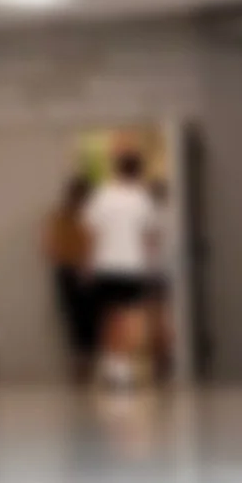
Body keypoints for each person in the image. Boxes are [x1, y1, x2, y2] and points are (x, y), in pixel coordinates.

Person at [81, 147, 165, 391]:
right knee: (128, 318)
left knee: (108, 317)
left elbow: (91, 234)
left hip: (104, 264)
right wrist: (151, 265)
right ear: (139, 171)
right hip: (132, 265)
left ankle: (112, 365)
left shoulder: (101, 196)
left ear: (116, 169)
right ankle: (123, 368)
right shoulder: (142, 198)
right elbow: (149, 237)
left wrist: (87, 264)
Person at [43, 172, 99, 387]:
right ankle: (87, 368)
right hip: (86, 270)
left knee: (74, 320)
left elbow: (49, 246)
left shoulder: (58, 216)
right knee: (89, 321)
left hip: (65, 271)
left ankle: (80, 369)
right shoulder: (90, 216)